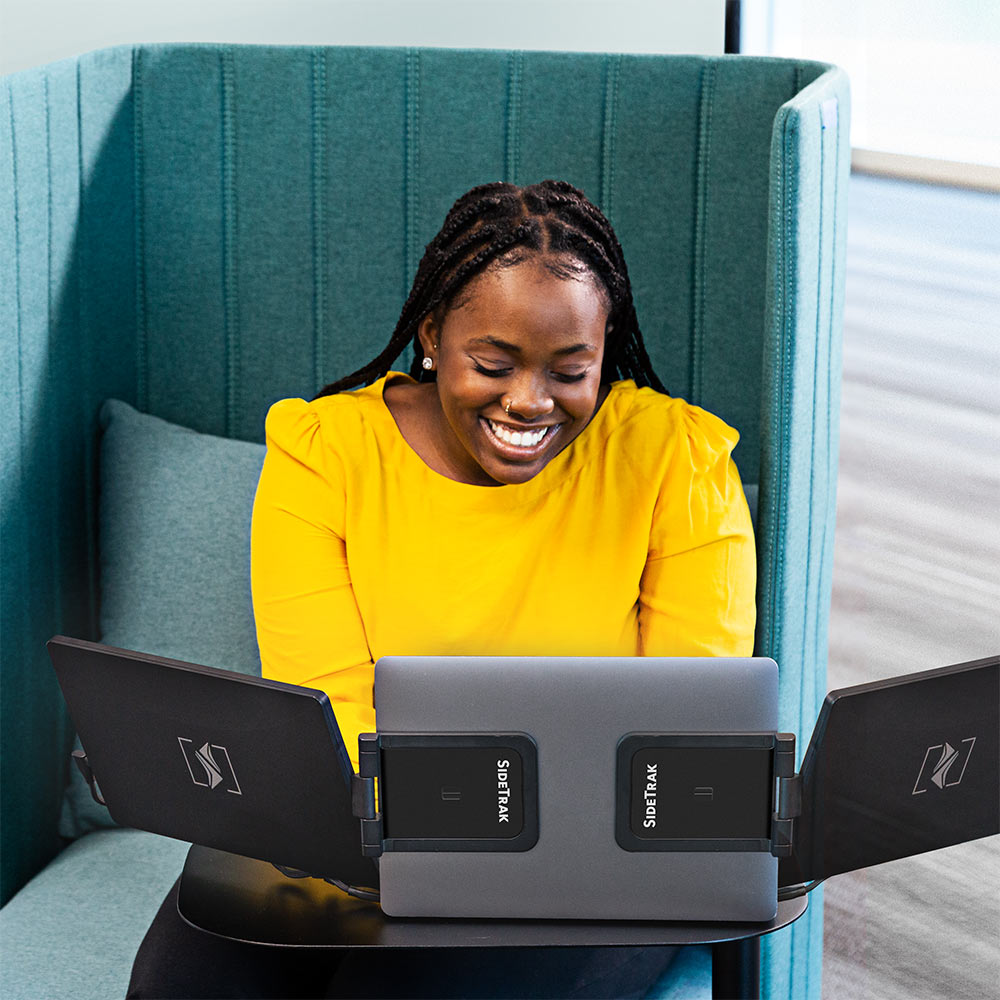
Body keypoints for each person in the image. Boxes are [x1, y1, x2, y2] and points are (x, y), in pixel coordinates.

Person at [128, 179, 756, 999]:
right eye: (492, 364)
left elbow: (685, 734)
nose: (529, 403)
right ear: (431, 335)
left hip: (594, 853)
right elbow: (329, 711)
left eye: (573, 370)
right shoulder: (324, 455)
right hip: (363, 825)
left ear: (606, 350)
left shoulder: (676, 461)